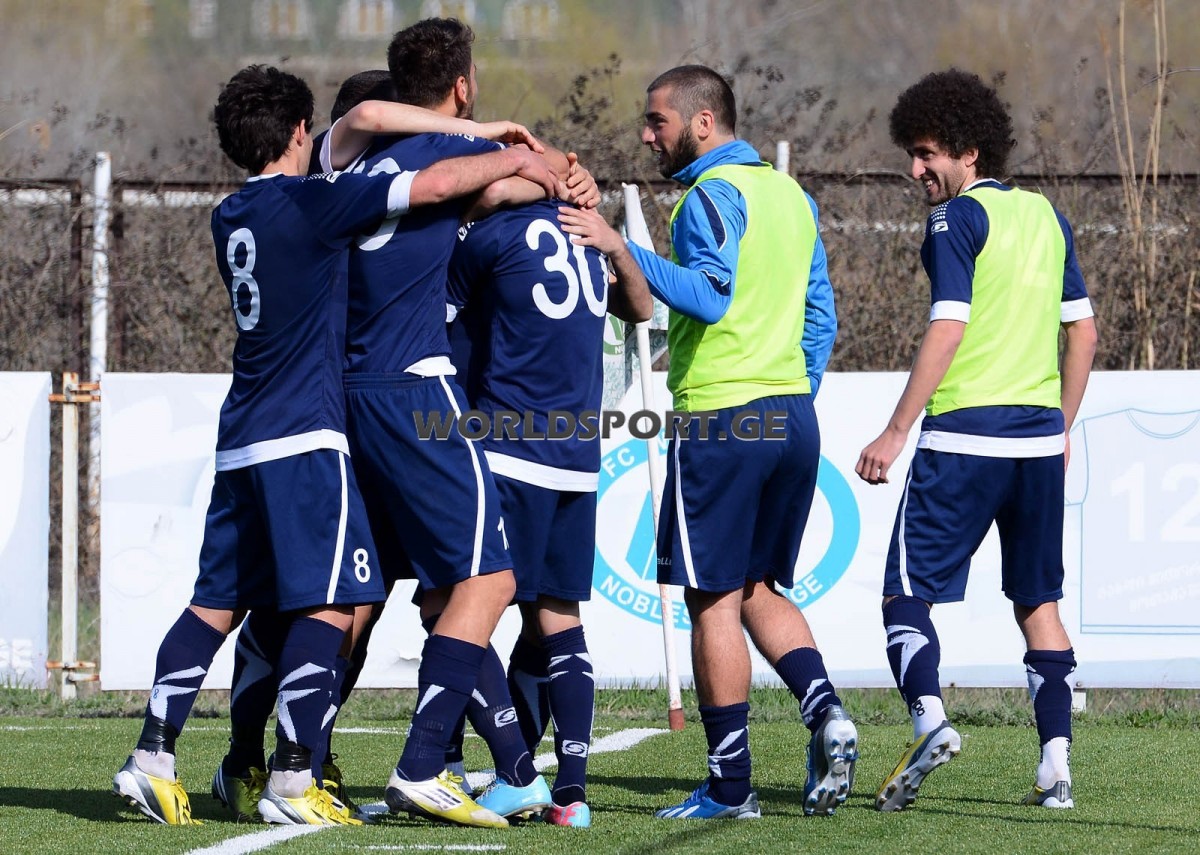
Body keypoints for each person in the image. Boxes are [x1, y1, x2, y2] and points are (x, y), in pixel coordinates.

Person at [111, 63, 561, 828]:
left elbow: (372, 130)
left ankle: (153, 755)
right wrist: (508, 151)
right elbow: (427, 181)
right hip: (306, 436)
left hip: (241, 436)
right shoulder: (317, 204)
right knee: (338, 601)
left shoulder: (231, 214)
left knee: (215, 603)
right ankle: (294, 776)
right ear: (299, 132)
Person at [314, 18, 592, 828]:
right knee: (489, 582)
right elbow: (511, 183)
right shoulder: (446, 159)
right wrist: (534, 159)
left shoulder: (348, 161)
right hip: (416, 389)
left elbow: (380, 124)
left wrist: (530, 165)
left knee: (388, 591)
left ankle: (304, 762)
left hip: (346, 388)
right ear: (464, 84)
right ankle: (422, 763)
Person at [558, 64, 855, 820]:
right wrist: (789, 395)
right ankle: (826, 711)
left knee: (712, 598)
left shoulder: (708, 195)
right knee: (757, 587)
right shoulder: (791, 195)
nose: (646, 135)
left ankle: (729, 787)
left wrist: (621, 249)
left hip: (724, 419)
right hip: (790, 416)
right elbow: (821, 316)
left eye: (656, 120)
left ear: (701, 122)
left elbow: (710, 296)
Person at [855, 68, 1097, 812]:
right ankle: (1055, 766)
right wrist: (1061, 425)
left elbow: (949, 324)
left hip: (963, 438)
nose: (916, 169)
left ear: (968, 151)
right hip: (1036, 444)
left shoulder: (954, 219)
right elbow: (1084, 332)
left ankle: (929, 720)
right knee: (1039, 603)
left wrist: (896, 429)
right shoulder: (1046, 215)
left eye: (926, 153)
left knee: (904, 594)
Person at [446, 199, 653, 827]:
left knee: (454, 607)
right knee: (558, 619)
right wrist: (613, 245)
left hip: (508, 451)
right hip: (575, 457)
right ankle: (573, 794)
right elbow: (642, 309)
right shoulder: (582, 232)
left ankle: (489, 769)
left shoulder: (492, 233)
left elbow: (431, 323)